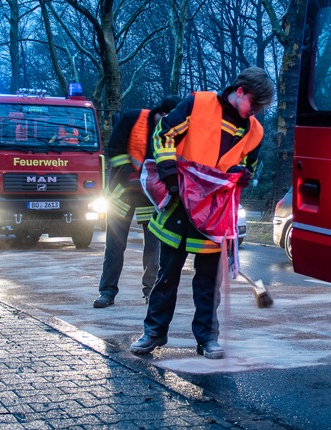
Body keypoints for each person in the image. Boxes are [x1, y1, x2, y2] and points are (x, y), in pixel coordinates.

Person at [129, 67, 274, 359]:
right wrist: (170, 177)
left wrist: (244, 174)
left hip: (214, 212)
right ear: (240, 91)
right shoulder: (198, 104)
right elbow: (164, 135)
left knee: (208, 282)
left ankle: (207, 338)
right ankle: (154, 333)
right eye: (254, 104)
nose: (255, 112)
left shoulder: (255, 131)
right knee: (166, 275)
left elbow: (250, 165)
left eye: (261, 108)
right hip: (179, 202)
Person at [93, 95, 182, 308]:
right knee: (114, 244)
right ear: (161, 113)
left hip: (149, 197)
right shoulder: (133, 119)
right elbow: (113, 151)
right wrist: (129, 174)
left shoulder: (172, 132)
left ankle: (151, 291)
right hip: (121, 193)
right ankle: (107, 292)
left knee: (153, 246)